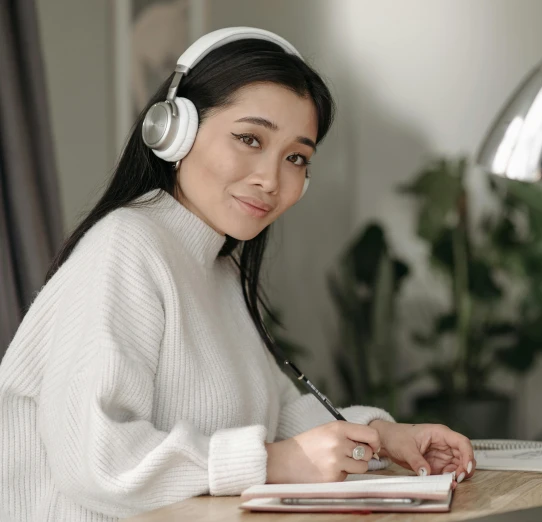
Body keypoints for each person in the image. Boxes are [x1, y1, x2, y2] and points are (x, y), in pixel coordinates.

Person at [0, 27, 476, 522]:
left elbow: (277, 416)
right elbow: (97, 461)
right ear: (173, 130)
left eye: (296, 157)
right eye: (249, 138)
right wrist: (276, 463)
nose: (271, 179)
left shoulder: (218, 268)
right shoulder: (126, 245)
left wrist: (386, 437)